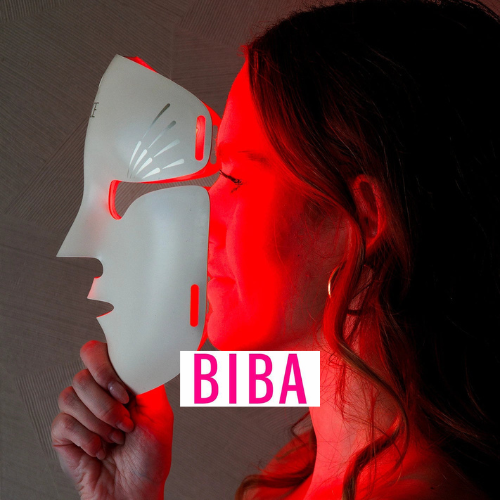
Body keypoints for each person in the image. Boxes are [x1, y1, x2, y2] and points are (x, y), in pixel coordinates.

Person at [51, 0, 500, 498]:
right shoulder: (304, 460)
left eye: (234, 177)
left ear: (364, 217)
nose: (205, 219)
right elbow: (236, 381)